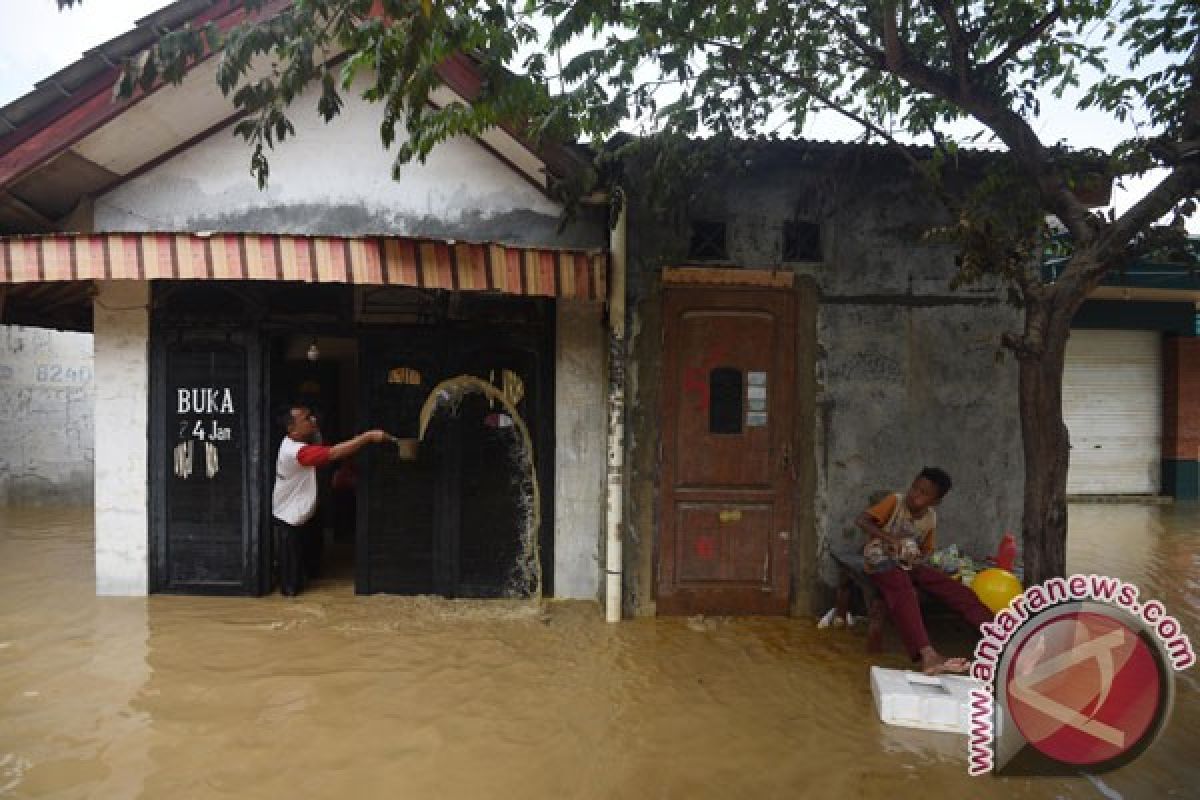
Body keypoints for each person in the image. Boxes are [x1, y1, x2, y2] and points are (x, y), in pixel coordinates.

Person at [855, 466, 994, 674]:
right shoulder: (895, 501)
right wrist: (890, 539)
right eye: (915, 488)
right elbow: (861, 521)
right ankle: (928, 655)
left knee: (957, 590)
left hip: (908, 564)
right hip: (879, 561)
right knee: (904, 591)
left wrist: (918, 558)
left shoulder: (930, 518)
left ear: (935, 501)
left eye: (924, 494)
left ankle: (1003, 638)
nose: (915, 495)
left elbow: (926, 550)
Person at [271, 405, 390, 596]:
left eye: (312, 417)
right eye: (307, 419)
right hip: (290, 519)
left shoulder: (305, 440)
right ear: (292, 429)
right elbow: (333, 453)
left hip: (304, 515)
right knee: (291, 587)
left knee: (310, 573)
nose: (313, 421)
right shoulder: (295, 452)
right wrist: (367, 437)